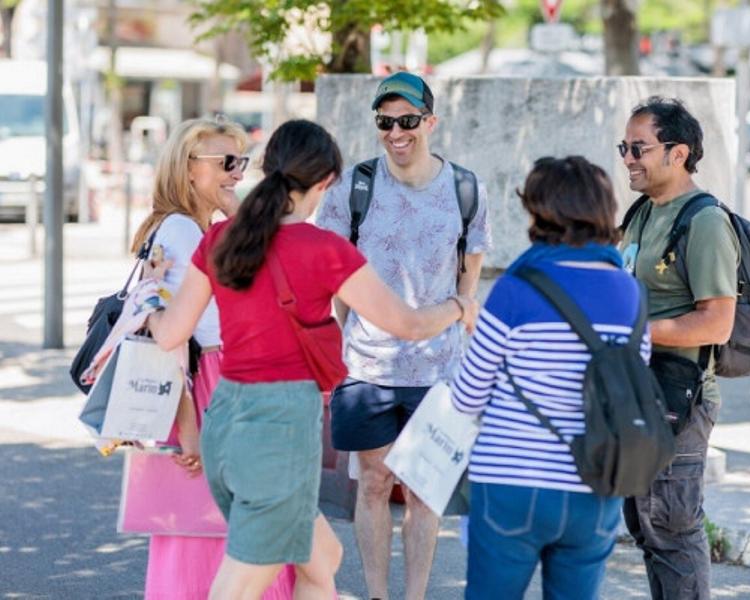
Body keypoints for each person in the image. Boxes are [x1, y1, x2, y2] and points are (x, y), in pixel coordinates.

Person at [147, 119, 478, 599]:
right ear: (325, 182)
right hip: (279, 429)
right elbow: (406, 323)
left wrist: (150, 298)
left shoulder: (221, 239)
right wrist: (459, 306)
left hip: (224, 420)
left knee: (323, 561)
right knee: (238, 586)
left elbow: (169, 333)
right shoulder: (324, 250)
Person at [315, 72, 491, 600]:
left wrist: (454, 325)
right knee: (372, 482)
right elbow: (332, 274)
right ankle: (377, 594)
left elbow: (469, 273)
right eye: (386, 121)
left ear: (430, 122)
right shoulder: (354, 187)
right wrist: (350, 336)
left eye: (408, 120)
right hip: (366, 367)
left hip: (438, 370)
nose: (396, 132)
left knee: (422, 490)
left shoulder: (465, 188)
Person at [450, 156, 642, 599]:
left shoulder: (517, 288)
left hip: (512, 482)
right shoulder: (630, 293)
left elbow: (466, 396)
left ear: (543, 214)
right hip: (596, 483)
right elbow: (630, 387)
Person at [131, 116, 295, 600]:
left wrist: (233, 208)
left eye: (240, 162)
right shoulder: (182, 232)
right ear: (188, 168)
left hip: (217, 383)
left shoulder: (202, 228)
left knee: (211, 525)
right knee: (215, 527)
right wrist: (188, 427)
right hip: (206, 386)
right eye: (226, 162)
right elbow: (170, 338)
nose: (237, 173)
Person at [618, 96, 739, 600]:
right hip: (638, 390)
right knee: (646, 524)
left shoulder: (704, 221)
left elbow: (718, 322)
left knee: (671, 526)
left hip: (680, 397)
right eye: (624, 148)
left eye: (639, 148)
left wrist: (634, 330)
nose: (628, 158)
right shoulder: (642, 212)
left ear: (678, 153)